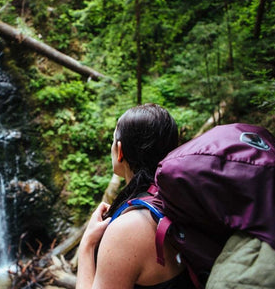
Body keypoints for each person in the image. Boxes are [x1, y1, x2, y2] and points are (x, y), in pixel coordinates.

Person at [76, 103, 192, 289]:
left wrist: (87, 245)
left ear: (119, 150)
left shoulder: (128, 229)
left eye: (113, 141)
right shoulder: (176, 198)